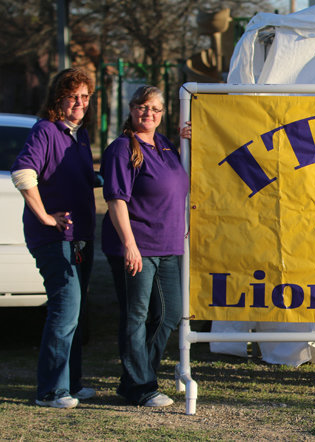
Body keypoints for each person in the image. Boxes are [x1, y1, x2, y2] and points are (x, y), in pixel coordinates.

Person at [10, 68, 97, 409]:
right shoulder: (46, 130)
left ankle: (70, 383)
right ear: (58, 98)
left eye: (85, 97)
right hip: (55, 238)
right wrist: (45, 216)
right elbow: (22, 172)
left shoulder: (79, 135)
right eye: (73, 96)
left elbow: (86, 179)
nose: (80, 103)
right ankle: (50, 390)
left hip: (81, 236)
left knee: (75, 312)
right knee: (64, 310)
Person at [101, 85, 190, 407]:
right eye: (142, 107)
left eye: (154, 109)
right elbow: (115, 200)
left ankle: (135, 379)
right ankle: (141, 386)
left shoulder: (165, 145)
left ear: (162, 113)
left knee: (169, 314)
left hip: (169, 246)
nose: (148, 114)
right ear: (131, 108)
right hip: (137, 246)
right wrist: (129, 244)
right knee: (136, 315)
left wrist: (186, 139)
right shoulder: (122, 148)